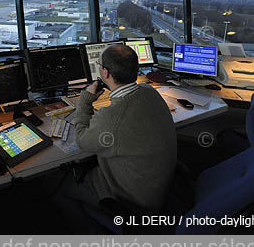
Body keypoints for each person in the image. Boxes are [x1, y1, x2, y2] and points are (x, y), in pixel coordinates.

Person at [53, 44, 176, 230]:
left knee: (54, 185)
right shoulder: (150, 92)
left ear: (105, 73)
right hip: (155, 184)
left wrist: (85, 101)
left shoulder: (113, 118)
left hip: (133, 199)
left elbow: (82, 140)